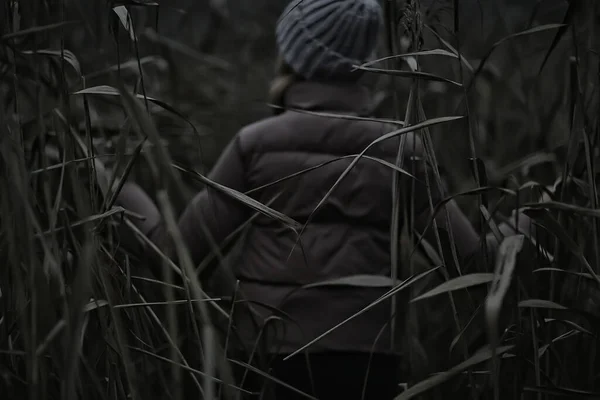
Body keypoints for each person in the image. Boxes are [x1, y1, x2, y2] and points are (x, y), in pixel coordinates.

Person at [110, 0, 487, 398]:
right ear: (365, 59)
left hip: (270, 360)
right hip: (370, 364)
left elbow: (177, 259)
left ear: (293, 54)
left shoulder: (255, 146)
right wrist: (532, 221)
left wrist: (117, 186)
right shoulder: (403, 149)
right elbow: (474, 269)